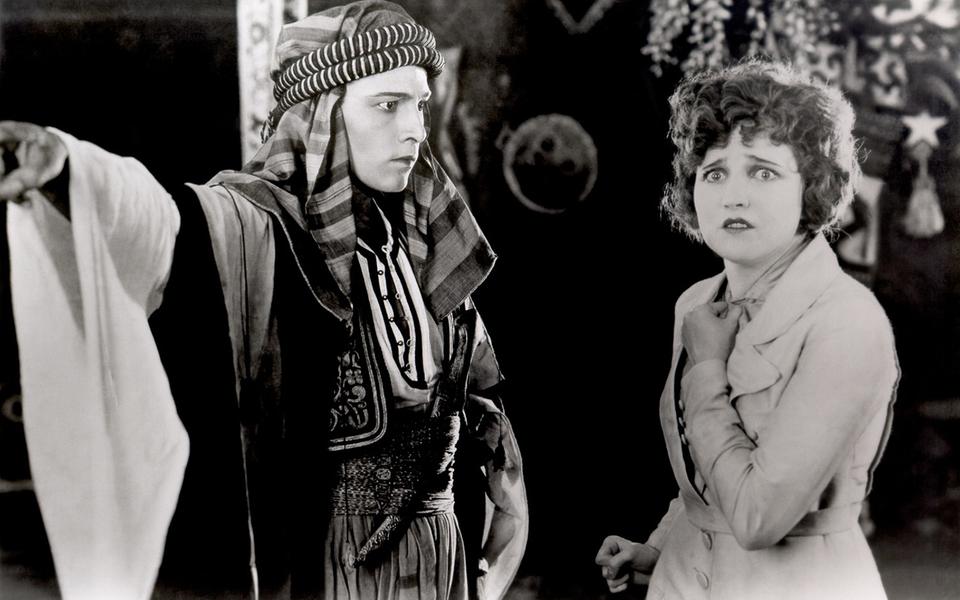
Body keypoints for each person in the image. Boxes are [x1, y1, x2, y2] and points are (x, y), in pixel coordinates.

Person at [0, 2, 526, 599]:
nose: (415, 129)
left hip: (442, 562)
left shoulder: (427, 243)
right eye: (388, 105)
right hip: (328, 569)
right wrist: (68, 169)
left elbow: (478, 411)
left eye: (420, 105)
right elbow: (162, 223)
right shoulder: (259, 228)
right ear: (322, 116)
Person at [595, 59, 899, 600]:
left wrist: (708, 369)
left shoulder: (848, 321)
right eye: (714, 172)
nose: (733, 196)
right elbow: (709, 479)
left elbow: (759, 517)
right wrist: (664, 546)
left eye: (763, 172)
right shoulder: (697, 302)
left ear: (813, 185)